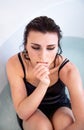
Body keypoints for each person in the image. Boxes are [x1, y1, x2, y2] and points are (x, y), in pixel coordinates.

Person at [6, 16, 84, 130]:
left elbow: (81, 123)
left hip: (61, 108)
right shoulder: (16, 64)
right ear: (25, 45)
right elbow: (22, 113)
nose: (43, 56)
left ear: (57, 47)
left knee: (64, 122)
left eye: (51, 48)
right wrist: (43, 84)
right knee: (41, 127)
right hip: (30, 113)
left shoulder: (68, 70)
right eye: (36, 47)